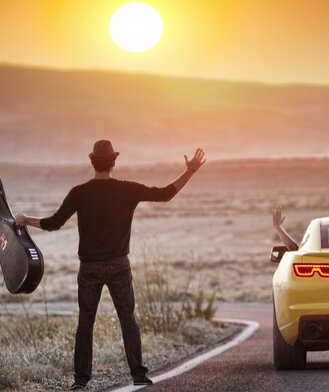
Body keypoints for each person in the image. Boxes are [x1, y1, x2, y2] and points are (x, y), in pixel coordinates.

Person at [15, 140, 206, 390]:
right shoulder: (127, 190)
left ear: (92, 162)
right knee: (128, 318)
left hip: (90, 269)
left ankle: (80, 381)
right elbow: (166, 193)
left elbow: (53, 223)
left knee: (86, 323)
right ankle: (138, 374)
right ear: (114, 162)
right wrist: (190, 170)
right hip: (119, 266)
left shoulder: (79, 193)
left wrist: (25, 219)